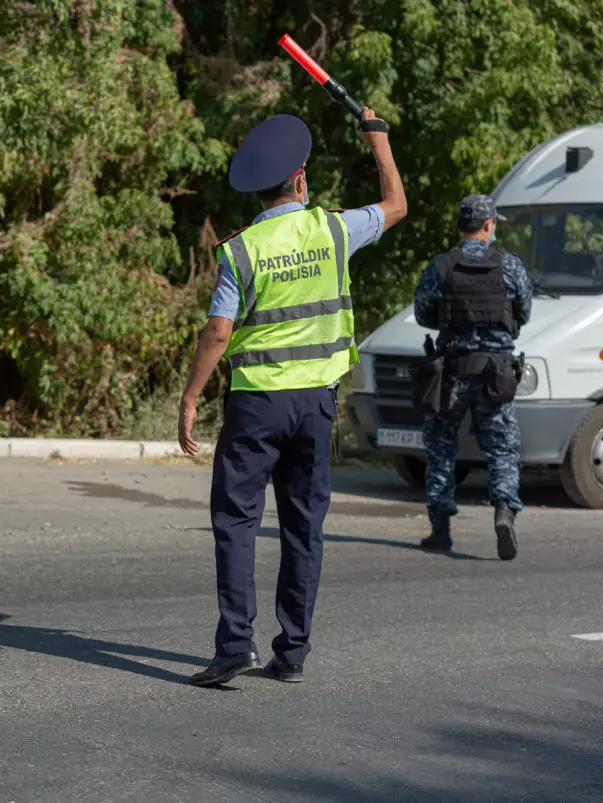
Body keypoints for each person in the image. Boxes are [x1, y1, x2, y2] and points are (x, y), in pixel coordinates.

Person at [179, 108, 406, 687]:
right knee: (304, 526)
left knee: (234, 522)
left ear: (257, 192)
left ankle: (235, 644)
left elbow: (218, 333)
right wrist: (377, 143)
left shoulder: (240, 251)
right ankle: (294, 649)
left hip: (256, 405)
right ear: (300, 180)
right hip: (317, 405)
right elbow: (397, 205)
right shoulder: (335, 229)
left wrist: (189, 398)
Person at [414, 195, 532, 560]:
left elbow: (423, 312)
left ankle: (440, 530)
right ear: (488, 225)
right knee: (502, 448)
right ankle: (503, 511)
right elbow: (523, 312)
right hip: (496, 373)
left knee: (441, 448)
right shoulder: (510, 265)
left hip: (453, 371)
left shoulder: (441, 266)